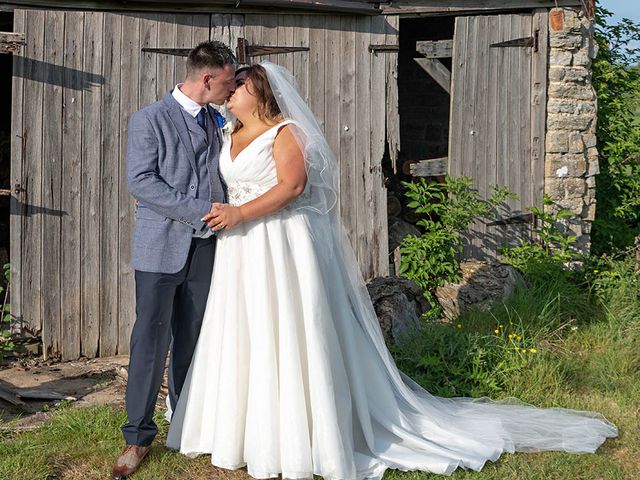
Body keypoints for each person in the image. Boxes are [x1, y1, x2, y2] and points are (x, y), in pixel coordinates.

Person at [165, 62, 617, 479]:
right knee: (246, 329)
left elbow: (294, 185)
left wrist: (242, 214)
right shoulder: (229, 131)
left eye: (237, 85)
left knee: (288, 328)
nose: (229, 92)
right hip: (241, 249)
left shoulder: (285, 132)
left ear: (258, 90)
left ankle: (302, 433)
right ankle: (239, 430)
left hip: (279, 242)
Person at [112, 41, 237, 480]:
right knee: (150, 340)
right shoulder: (149, 119)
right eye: (227, 81)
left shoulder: (219, 121)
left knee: (194, 337)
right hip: (160, 247)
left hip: (208, 248)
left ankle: (186, 425)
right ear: (207, 78)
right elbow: (141, 181)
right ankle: (137, 436)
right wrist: (201, 212)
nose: (231, 88)